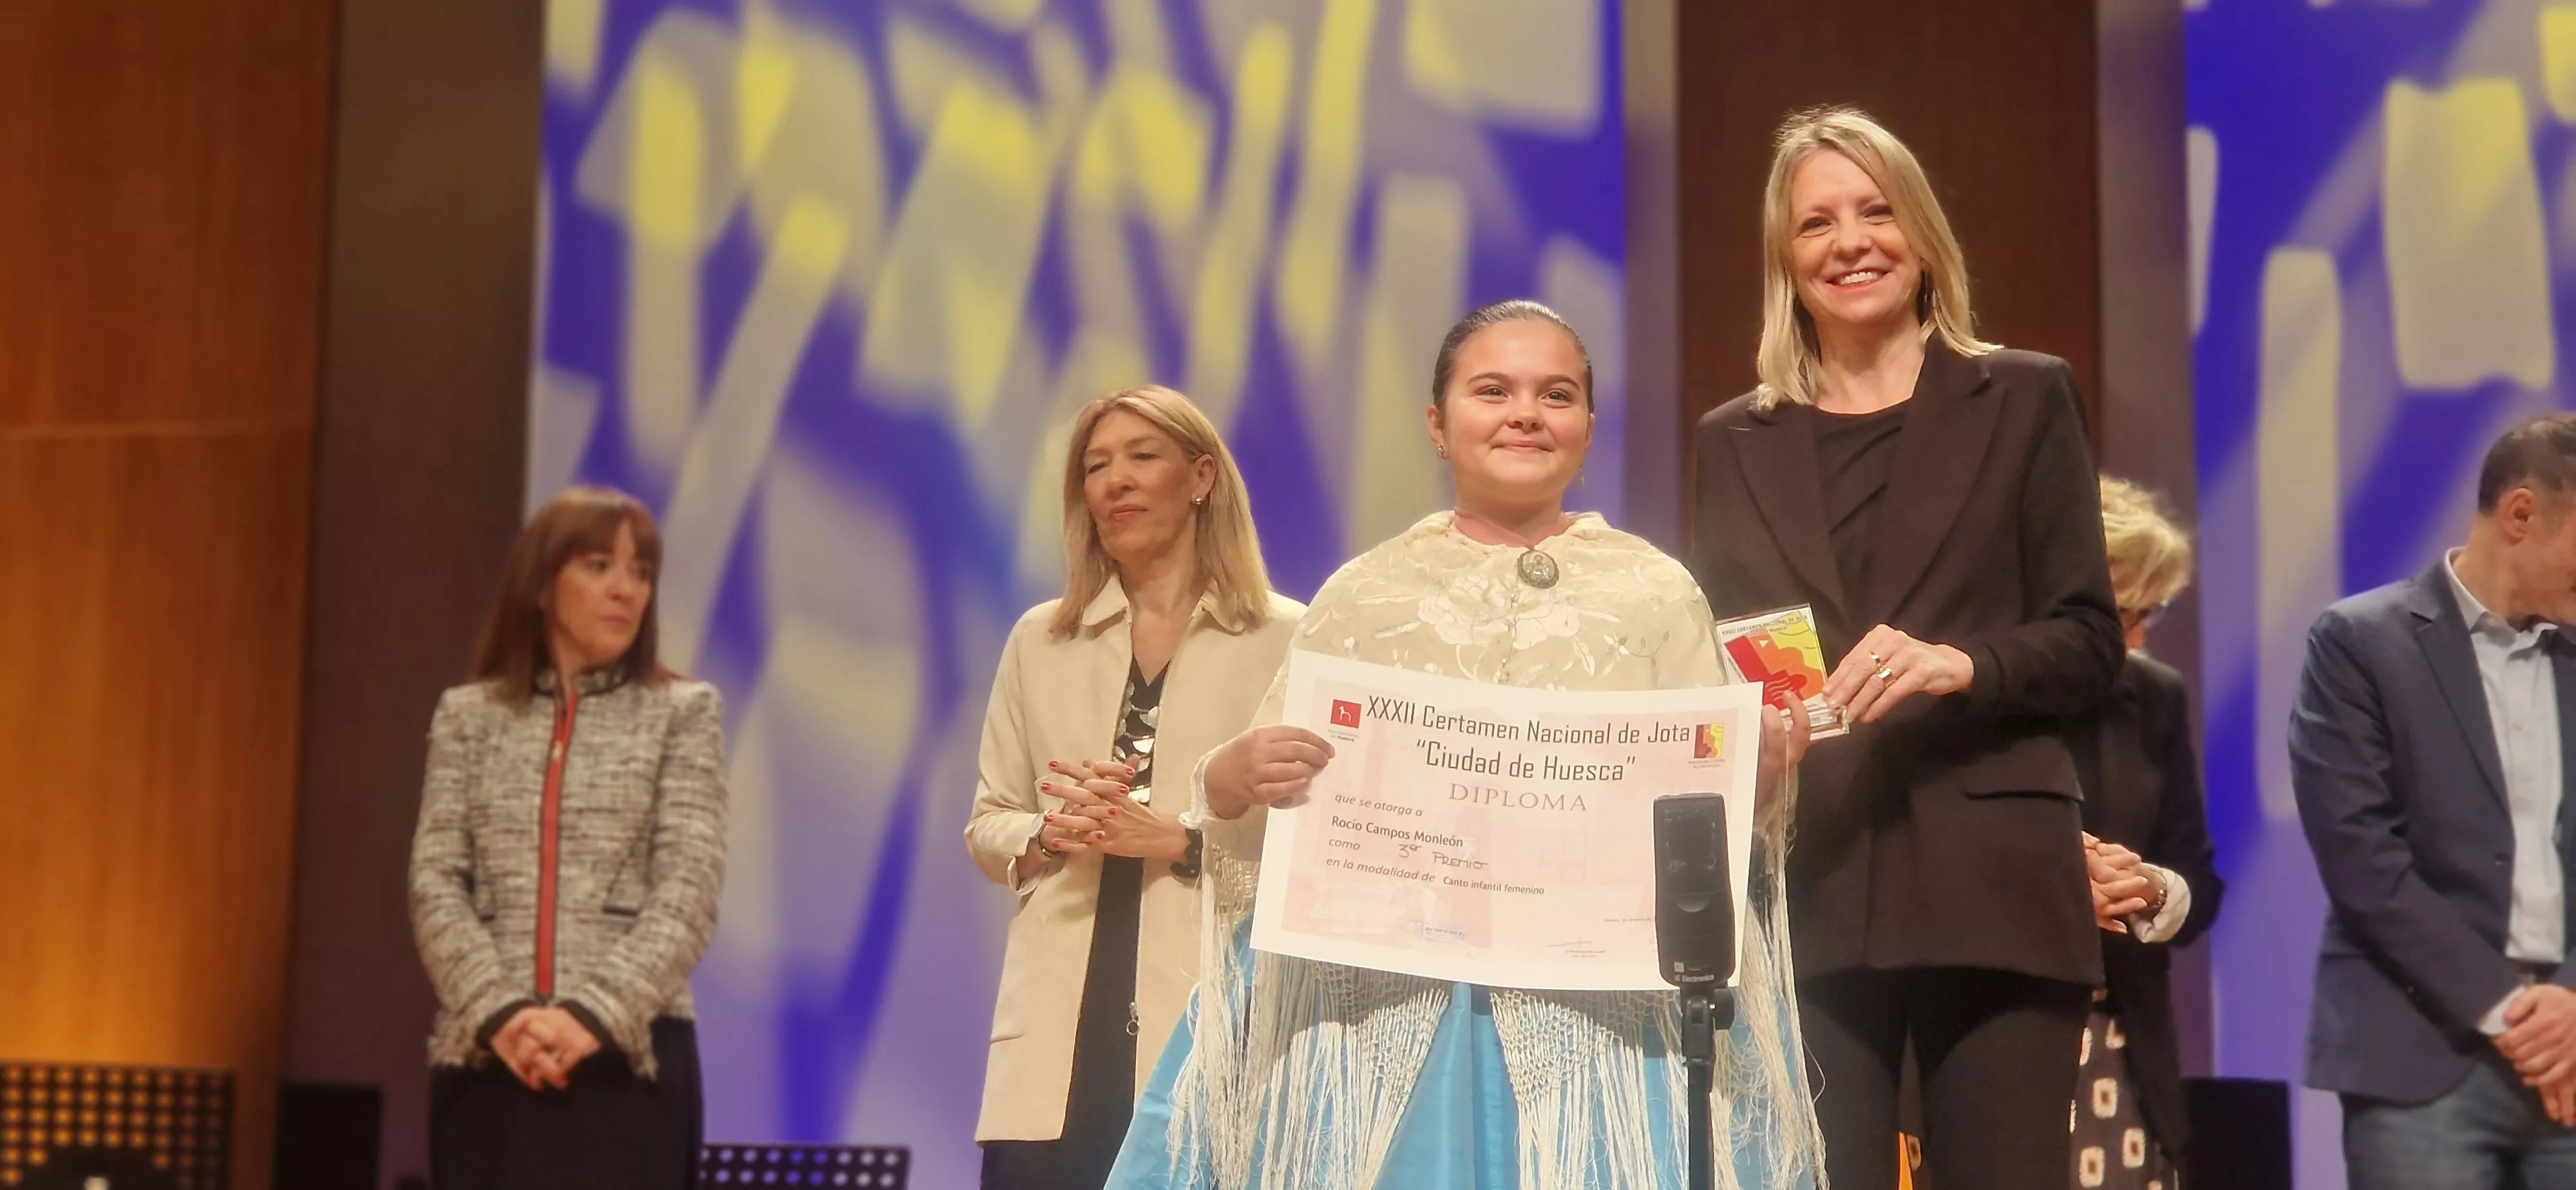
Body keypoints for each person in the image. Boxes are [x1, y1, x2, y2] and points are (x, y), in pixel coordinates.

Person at [1106, 300, 1828, 1190]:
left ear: (1590, 429)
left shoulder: (1654, 590)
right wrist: (1225, 779)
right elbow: (1276, 838)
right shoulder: (1364, 594)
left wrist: (1758, 775)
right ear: (1438, 425)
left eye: (1555, 394)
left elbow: (1706, 828)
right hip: (1392, 1014)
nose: (1526, 411)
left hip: (1603, 1026)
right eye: (1494, 390)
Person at [1688, 106, 2126, 1190]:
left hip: (1997, 880)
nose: (1852, 242)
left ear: (1922, 234)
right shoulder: (1733, 439)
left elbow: (2086, 641)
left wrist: (1961, 664)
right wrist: (1760, 733)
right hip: (1819, 879)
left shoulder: (2025, 394)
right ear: (1784, 261)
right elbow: (1734, 653)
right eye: (1816, 225)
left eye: (1877, 212)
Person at [966, 385, 1305, 1189]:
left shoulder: (1287, 637)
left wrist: (1183, 841)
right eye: (1095, 466)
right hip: (1055, 1032)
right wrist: (1048, 834)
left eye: (1141, 457)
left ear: (1200, 476)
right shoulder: (1040, 640)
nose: (1114, 481)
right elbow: (988, 824)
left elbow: (1318, 855)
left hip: (1210, 1024)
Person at [409, 487, 728, 1190]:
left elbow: (689, 891)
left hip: (629, 1066)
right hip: (489, 1064)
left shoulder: (683, 714)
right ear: (540, 584)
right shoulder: (469, 718)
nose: (625, 589)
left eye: (640, 572)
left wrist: (589, 1017)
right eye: (598, 565)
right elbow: (436, 886)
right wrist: (502, 1013)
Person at [2290, 414, 2576, 1188]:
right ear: (2521, 514)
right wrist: (2514, 1012)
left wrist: (2571, 1006)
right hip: (2418, 1055)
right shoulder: (2358, 643)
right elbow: (2360, 858)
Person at [2065, 477, 2227, 1188]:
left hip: (2116, 1038)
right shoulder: (1982, 697)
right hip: (1991, 1031)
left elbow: (2200, 882)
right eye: (2126, 611)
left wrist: (2155, 892)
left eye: (2150, 612)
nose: (2134, 637)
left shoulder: (2155, 696)